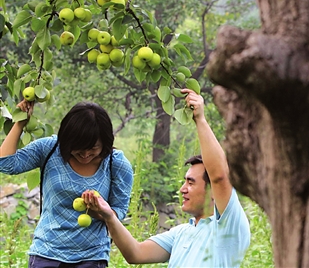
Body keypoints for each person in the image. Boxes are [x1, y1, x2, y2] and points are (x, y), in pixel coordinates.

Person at [83, 89, 251, 267]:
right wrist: (109, 217)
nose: (182, 189)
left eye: (191, 182)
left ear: (212, 191)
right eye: (185, 181)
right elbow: (136, 254)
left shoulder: (227, 228)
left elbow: (220, 176)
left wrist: (200, 120)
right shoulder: (182, 232)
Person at [0, 100, 134, 268]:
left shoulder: (116, 163)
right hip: (46, 254)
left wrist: (99, 212)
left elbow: (119, 211)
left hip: (92, 257)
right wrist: (20, 123)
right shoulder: (49, 149)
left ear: (104, 143)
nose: (85, 154)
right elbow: (5, 163)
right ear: (66, 139)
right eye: (78, 147)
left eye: (93, 148)